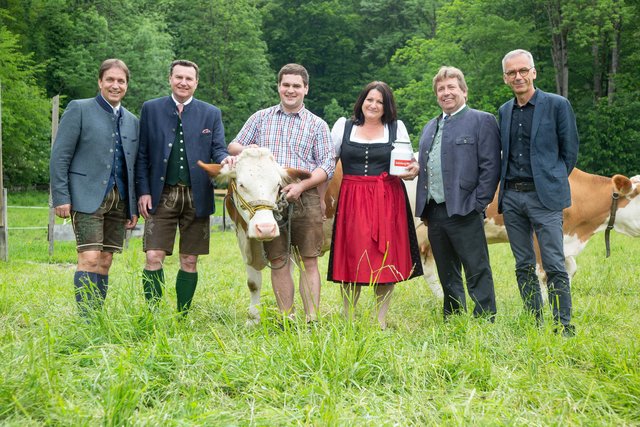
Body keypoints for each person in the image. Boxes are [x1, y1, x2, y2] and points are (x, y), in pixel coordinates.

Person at [228, 63, 335, 323]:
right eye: (286, 85)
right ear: (278, 87)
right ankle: (286, 317)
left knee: (309, 260)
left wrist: (301, 186)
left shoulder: (317, 124)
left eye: (296, 86)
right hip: (267, 200)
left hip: (304, 195)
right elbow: (233, 144)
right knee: (278, 260)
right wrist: (246, 149)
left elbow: (327, 165)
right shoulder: (260, 118)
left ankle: (311, 319)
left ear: (306, 89)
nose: (290, 90)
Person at [135, 60, 233, 315]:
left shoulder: (211, 113)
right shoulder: (151, 109)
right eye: (179, 77)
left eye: (189, 79)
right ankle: (153, 313)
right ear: (170, 79)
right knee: (153, 256)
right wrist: (143, 191)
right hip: (161, 194)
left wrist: (224, 159)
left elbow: (219, 148)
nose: (183, 83)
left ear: (196, 83)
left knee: (190, 259)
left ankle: (182, 314)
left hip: (197, 195)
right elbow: (142, 154)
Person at [327, 81, 423, 329]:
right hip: (352, 198)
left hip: (387, 199)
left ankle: (380, 320)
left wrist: (413, 171)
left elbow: (408, 166)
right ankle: (348, 318)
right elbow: (328, 165)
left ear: (387, 106)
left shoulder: (396, 128)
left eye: (380, 101)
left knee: (384, 258)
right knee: (352, 257)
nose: (373, 105)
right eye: (370, 99)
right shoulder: (344, 127)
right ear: (361, 101)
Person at [498, 49, 579, 336]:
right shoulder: (505, 112)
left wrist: (550, 180)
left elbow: (569, 153)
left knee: (555, 263)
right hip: (512, 198)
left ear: (533, 72)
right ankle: (534, 322)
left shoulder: (558, 105)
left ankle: (563, 326)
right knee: (522, 265)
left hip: (545, 198)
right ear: (506, 78)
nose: (518, 76)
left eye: (523, 70)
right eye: (512, 73)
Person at [50, 58, 139, 314]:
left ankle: (96, 315)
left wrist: (132, 206)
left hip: (119, 199)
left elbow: (132, 166)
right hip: (85, 196)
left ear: (126, 86)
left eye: (120, 81)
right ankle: (86, 320)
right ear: (100, 81)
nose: (115, 85)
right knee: (89, 258)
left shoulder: (132, 120)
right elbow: (60, 156)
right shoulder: (79, 109)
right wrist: (60, 196)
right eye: (110, 79)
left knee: (105, 260)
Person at [415, 66, 501, 321]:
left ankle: (485, 317)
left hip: (465, 207)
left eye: (451, 87)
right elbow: (430, 165)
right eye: (441, 89)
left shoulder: (481, 120)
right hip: (434, 211)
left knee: (476, 267)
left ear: (464, 91)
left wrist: (478, 203)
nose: (446, 93)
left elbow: (490, 167)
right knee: (446, 268)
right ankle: (453, 316)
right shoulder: (430, 127)